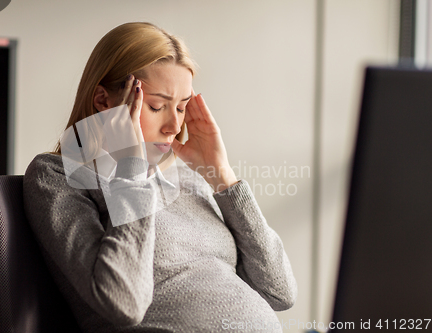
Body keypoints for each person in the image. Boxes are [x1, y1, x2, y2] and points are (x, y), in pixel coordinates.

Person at [23, 22, 297, 333]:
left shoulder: (188, 177)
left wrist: (222, 175)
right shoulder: (57, 175)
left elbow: (279, 292)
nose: (173, 125)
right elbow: (123, 304)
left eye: (181, 108)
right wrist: (130, 171)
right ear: (103, 100)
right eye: (156, 106)